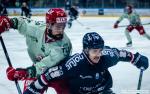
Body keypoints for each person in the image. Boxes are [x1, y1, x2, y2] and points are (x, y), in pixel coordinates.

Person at [23, 32, 148, 94]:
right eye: (95, 51)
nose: (98, 54)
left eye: (100, 50)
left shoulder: (107, 56)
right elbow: (50, 74)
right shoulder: (74, 64)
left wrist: (136, 58)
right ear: (86, 50)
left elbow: (121, 54)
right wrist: (34, 88)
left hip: (102, 90)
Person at [0, 8, 72, 94]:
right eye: (58, 26)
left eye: (63, 26)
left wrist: (25, 73)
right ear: (48, 25)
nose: (61, 30)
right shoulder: (37, 28)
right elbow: (22, 23)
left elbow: (45, 66)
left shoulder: (63, 46)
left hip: (60, 73)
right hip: (38, 68)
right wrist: (8, 22)